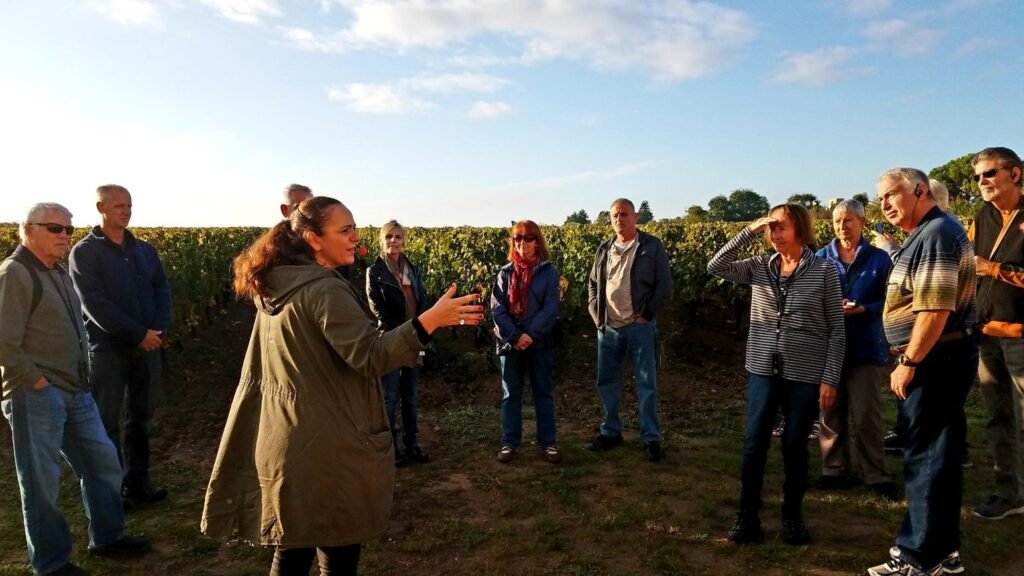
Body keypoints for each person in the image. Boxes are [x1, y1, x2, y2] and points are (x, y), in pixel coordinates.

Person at [201, 196, 483, 576]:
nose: (355, 237)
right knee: (337, 553)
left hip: (289, 440)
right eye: (344, 230)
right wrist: (428, 321)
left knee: (294, 550)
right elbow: (371, 356)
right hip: (327, 448)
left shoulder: (278, 285)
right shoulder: (324, 291)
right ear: (314, 239)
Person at [1, 203, 151, 576]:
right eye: (54, 228)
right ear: (29, 230)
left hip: (76, 391)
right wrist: (36, 380)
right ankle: (50, 565)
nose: (64, 236)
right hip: (36, 395)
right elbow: (3, 341)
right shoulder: (15, 274)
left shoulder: (59, 273)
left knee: (104, 464)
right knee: (41, 484)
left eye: (68, 229)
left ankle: (107, 537)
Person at [708, 202, 845, 546]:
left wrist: (829, 378)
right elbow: (716, 265)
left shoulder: (825, 272)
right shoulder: (758, 267)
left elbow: (836, 330)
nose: (774, 233)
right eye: (770, 228)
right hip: (762, 369)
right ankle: (746, 517)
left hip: (804, 373)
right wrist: (749, 230)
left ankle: (792, 518)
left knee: (795, 446)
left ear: (800, 228)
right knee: (754, 444)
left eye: (780, 226)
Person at [867, 168, 976, 576]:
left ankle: (919, 559)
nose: (885, 205)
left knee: (926, 456)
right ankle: (941, 552)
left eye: (891, 195)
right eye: (880, 199)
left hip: (934, 360)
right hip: (940, 356)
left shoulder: (934, 234)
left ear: (919, 190)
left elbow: (934, 309)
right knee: (938, 456)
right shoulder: (930, 231)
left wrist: (909, 362)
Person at [69, 185, 172, 507]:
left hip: (147, 347)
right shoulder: (85, 252)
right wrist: (138, 333)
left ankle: (138, 482)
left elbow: (161, 290)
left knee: (141, 419)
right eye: (118, 206)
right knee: (106, 423)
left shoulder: (144, 250)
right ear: (100, 207)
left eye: (129, 205)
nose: (126, 211)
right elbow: (94, 304)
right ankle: (111, 492)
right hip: (108, 349)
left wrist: (157, 328)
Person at [814, 200, 897, 500]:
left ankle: (875, 473)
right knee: (829, 411)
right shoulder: (820, 258)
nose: (842, 226)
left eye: (849, 220)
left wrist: (864, 308)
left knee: (867, 415)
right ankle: (834, 470)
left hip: (865, 347)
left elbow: (891, 302)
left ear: (863, 222)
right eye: (837, 220)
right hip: (828, 349)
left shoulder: (879, 260)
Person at [587, 198, 672, 462]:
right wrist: (596, 315)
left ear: (635, 217)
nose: (619, 219)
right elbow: (592, 284)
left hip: (639, 328)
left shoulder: (651, 247)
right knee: (607, 383)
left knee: (646, 383)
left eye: (624, 214)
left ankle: (651, 438)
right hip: (608, 328)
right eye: (614, 215)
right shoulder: (604, 249)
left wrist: (647, 314)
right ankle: (611, 432)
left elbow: (665, 285)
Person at [967, 146, 1024, 521]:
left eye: (989, 173)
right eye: (977, 177)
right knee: (997, 415)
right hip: (986, 333)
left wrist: (994, 269)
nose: (982, 182)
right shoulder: (982, 216)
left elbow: (984, 267)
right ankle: (1008, 493)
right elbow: (967, 265)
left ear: (1014, 174)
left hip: (1021, 334)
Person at [491, 220, 561, 464]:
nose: (522, 243)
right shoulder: (505, 273)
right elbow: (498, 309)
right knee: (511, 394)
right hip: (511, 343)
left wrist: (529, 334)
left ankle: (548, 442)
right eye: (517, 238)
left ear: (537, 241)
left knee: (542, 392)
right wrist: (516, 336)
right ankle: (509, 442)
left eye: (528, 238)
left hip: (539, 342)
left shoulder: (548, 272)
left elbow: (551, 307)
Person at [366, 220, 430, 467]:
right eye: (389, 237)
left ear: (404, 241)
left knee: (410, 396)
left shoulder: (412, 269)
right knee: (390, 396)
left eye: (398, 237)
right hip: (391, 339)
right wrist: (400, 332)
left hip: (414, 339)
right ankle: (393, 450)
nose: (394, 241)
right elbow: (377, 309)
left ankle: (412, 444)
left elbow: (422, 300)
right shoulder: (376, 272)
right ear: (382, 240)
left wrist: (421, 331)